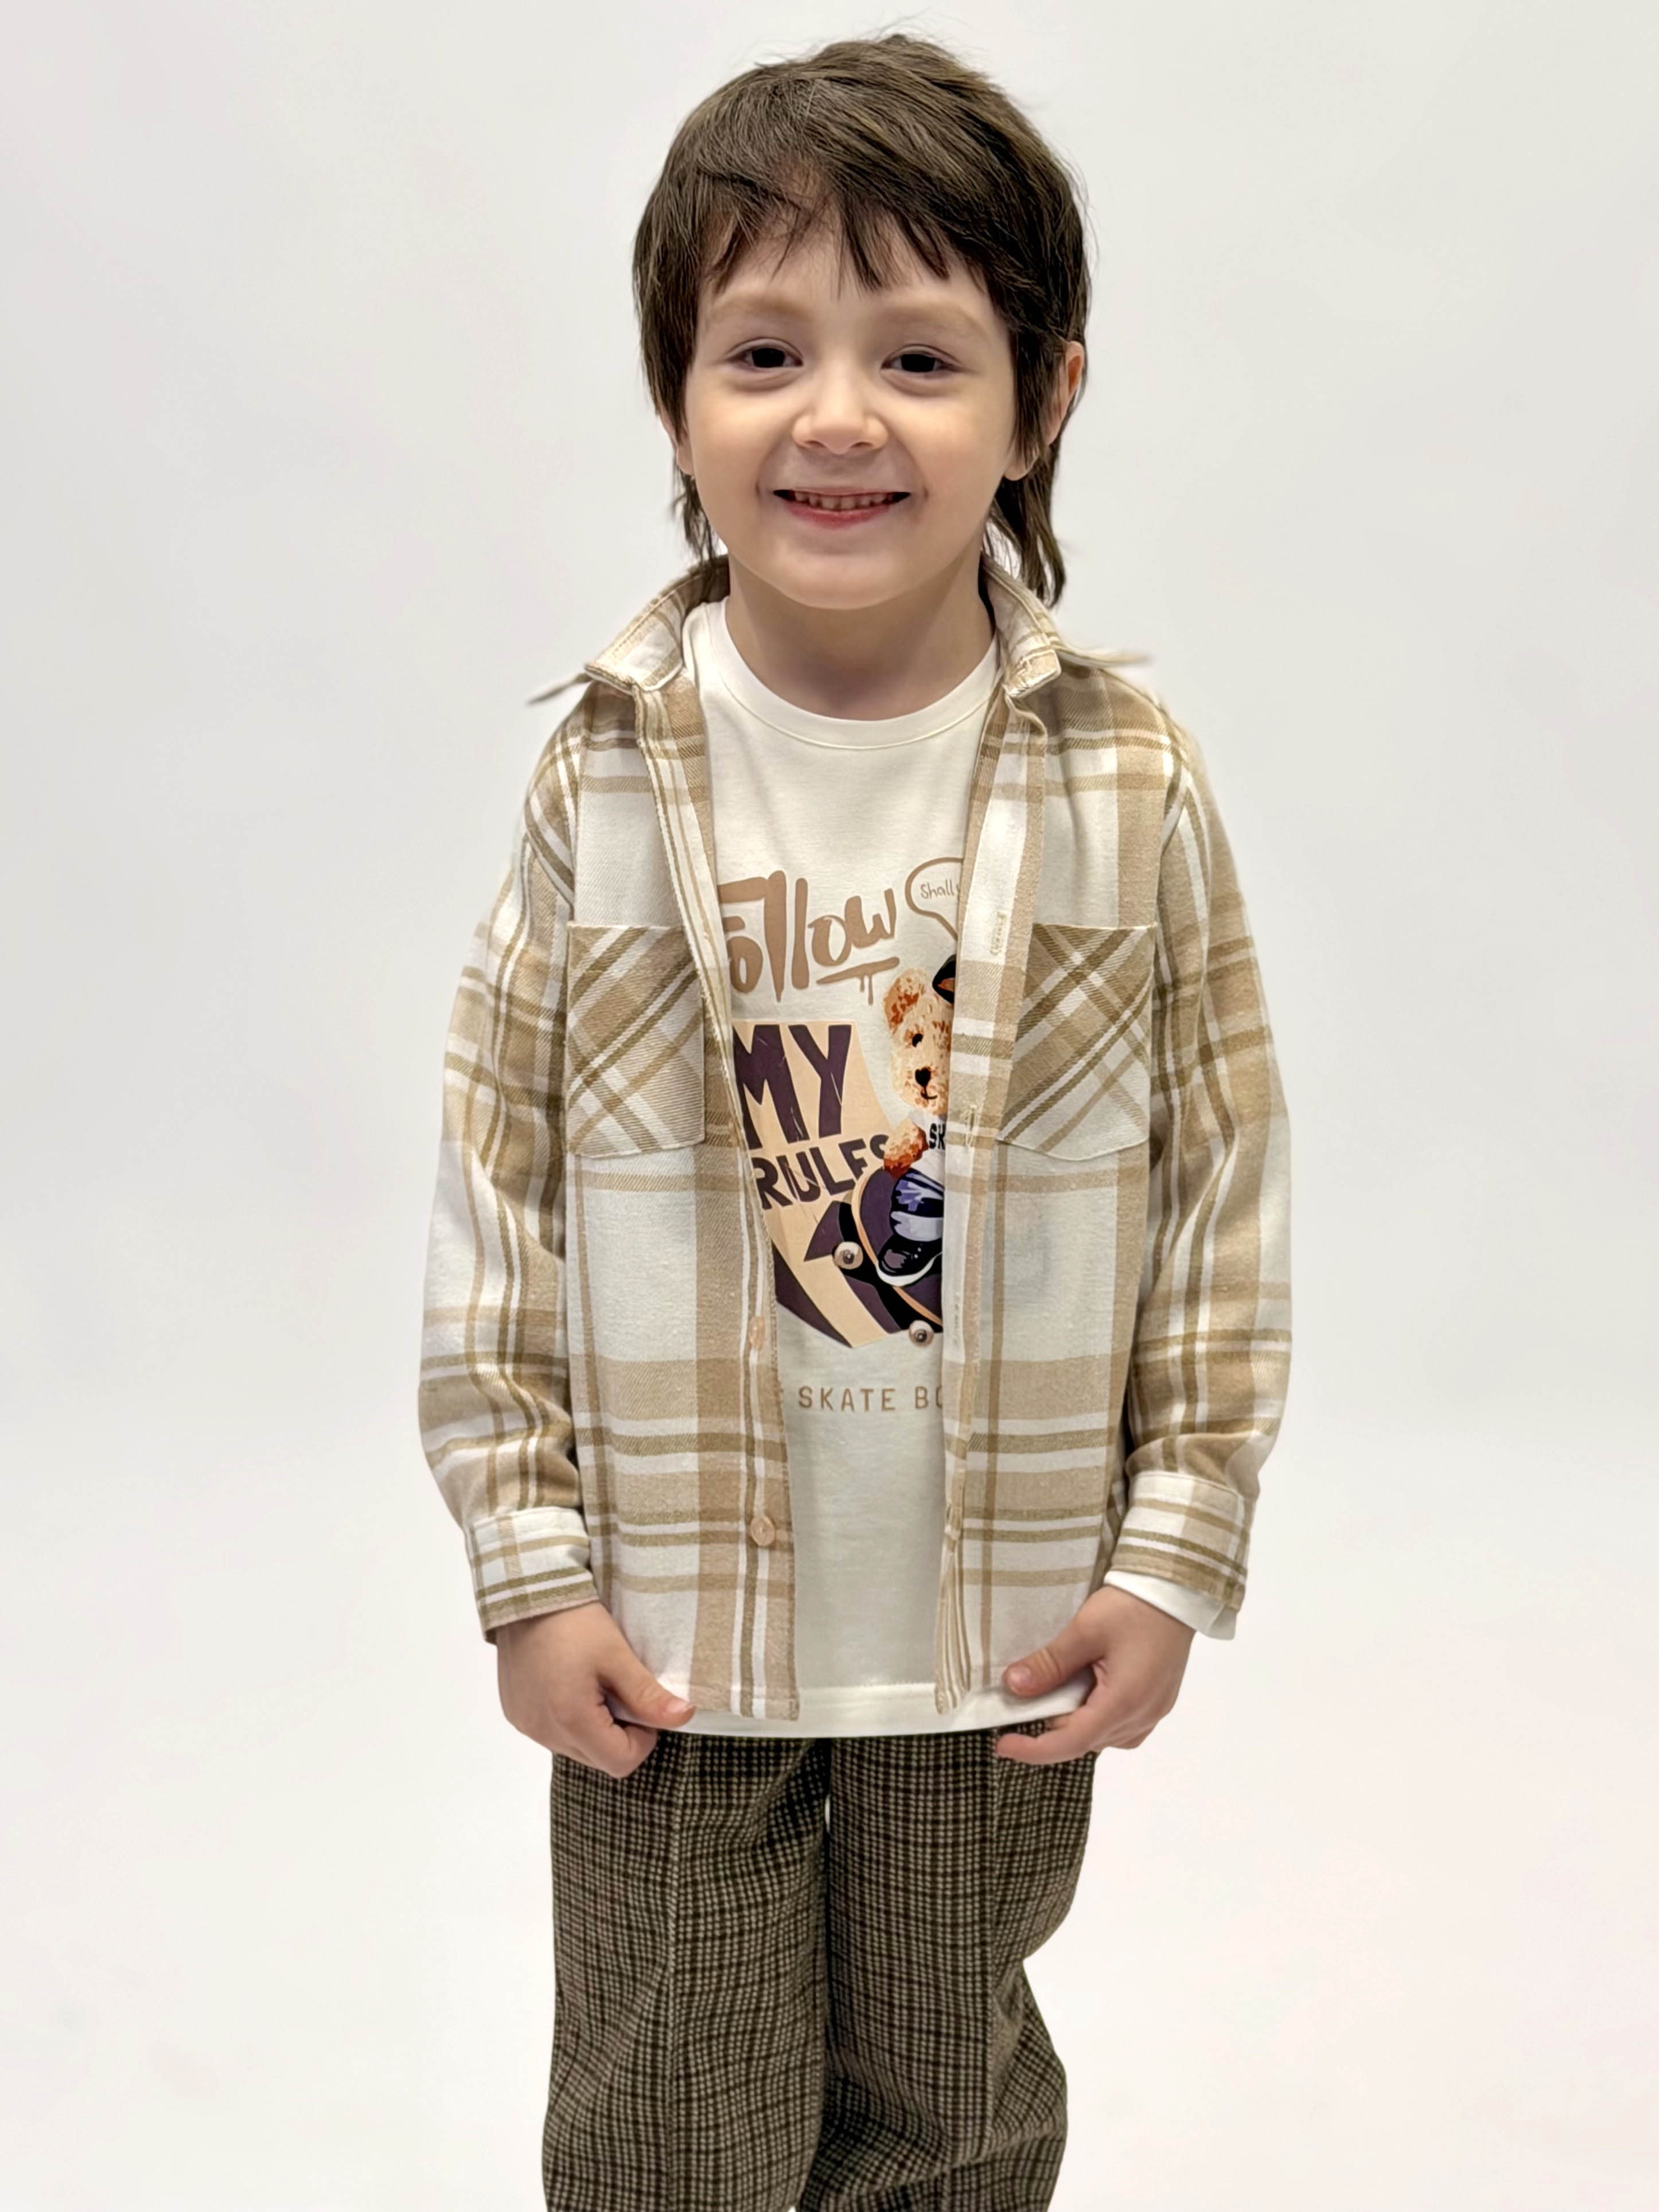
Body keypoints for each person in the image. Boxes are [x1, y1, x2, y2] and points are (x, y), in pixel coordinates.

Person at [416, 31, 1291, 2212]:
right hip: (673, 1625)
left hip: (998, 1620)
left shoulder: (1125, 776)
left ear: (1040, 399)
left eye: (916, 356)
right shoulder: (606, 771)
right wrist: (526, 1561)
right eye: (763, 351)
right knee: (668, 2128)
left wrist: (1175, 1541)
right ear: (674, 398)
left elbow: (1220, 1181)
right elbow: (497, 1187)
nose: (835, 415)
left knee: (950, 2118)